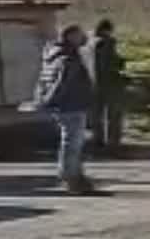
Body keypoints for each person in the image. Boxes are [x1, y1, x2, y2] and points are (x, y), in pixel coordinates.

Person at [33, 24, 95, 194]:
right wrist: (48, 101)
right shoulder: (68, 58)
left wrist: (43, 101)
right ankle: (72, 179)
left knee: (70, 143)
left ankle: (74, 176)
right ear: (70, 36)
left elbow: (44, 81)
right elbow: (62, 84)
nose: (83, 37)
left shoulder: (53, 55)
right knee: (72, 144)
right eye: (79, 35)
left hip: (64, 106)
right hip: (71, 105)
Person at [86, 18, 126, 156]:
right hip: (108, 83)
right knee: (113, 115)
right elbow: (111, 64)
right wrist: (120, 63)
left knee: (96, 115)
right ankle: (113, 144)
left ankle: (97, 141)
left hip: (91, 84)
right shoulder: (107, 43)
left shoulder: (88, 44)